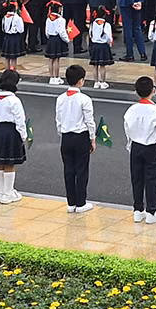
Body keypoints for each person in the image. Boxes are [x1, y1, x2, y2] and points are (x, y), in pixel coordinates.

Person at [124, 76, 156, 223]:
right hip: (151, 148)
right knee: (151, 179)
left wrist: (129, 144)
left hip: (136, 146)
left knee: (136, 178)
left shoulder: (131, 110)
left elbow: (127, 128)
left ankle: (138, 210)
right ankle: (152, 210)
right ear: (153, 90)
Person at [54, 63, 96, 212]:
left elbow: (58, 119)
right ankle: (81, 202)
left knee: (68, 170)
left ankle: (71, 203)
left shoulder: (60, 98)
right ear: (80, 81)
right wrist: (92, 138)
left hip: (66, 137)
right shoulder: (84, 99)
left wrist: (62, 133)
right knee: (81, 170)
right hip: (81, 136)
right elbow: (89, 120)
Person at [0, 68, 29, 203]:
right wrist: (23, 136)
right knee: (10, 162)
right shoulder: (14, 100)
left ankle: (1, 191)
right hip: (11, 131)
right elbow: (20, 120)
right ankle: (9, 193)